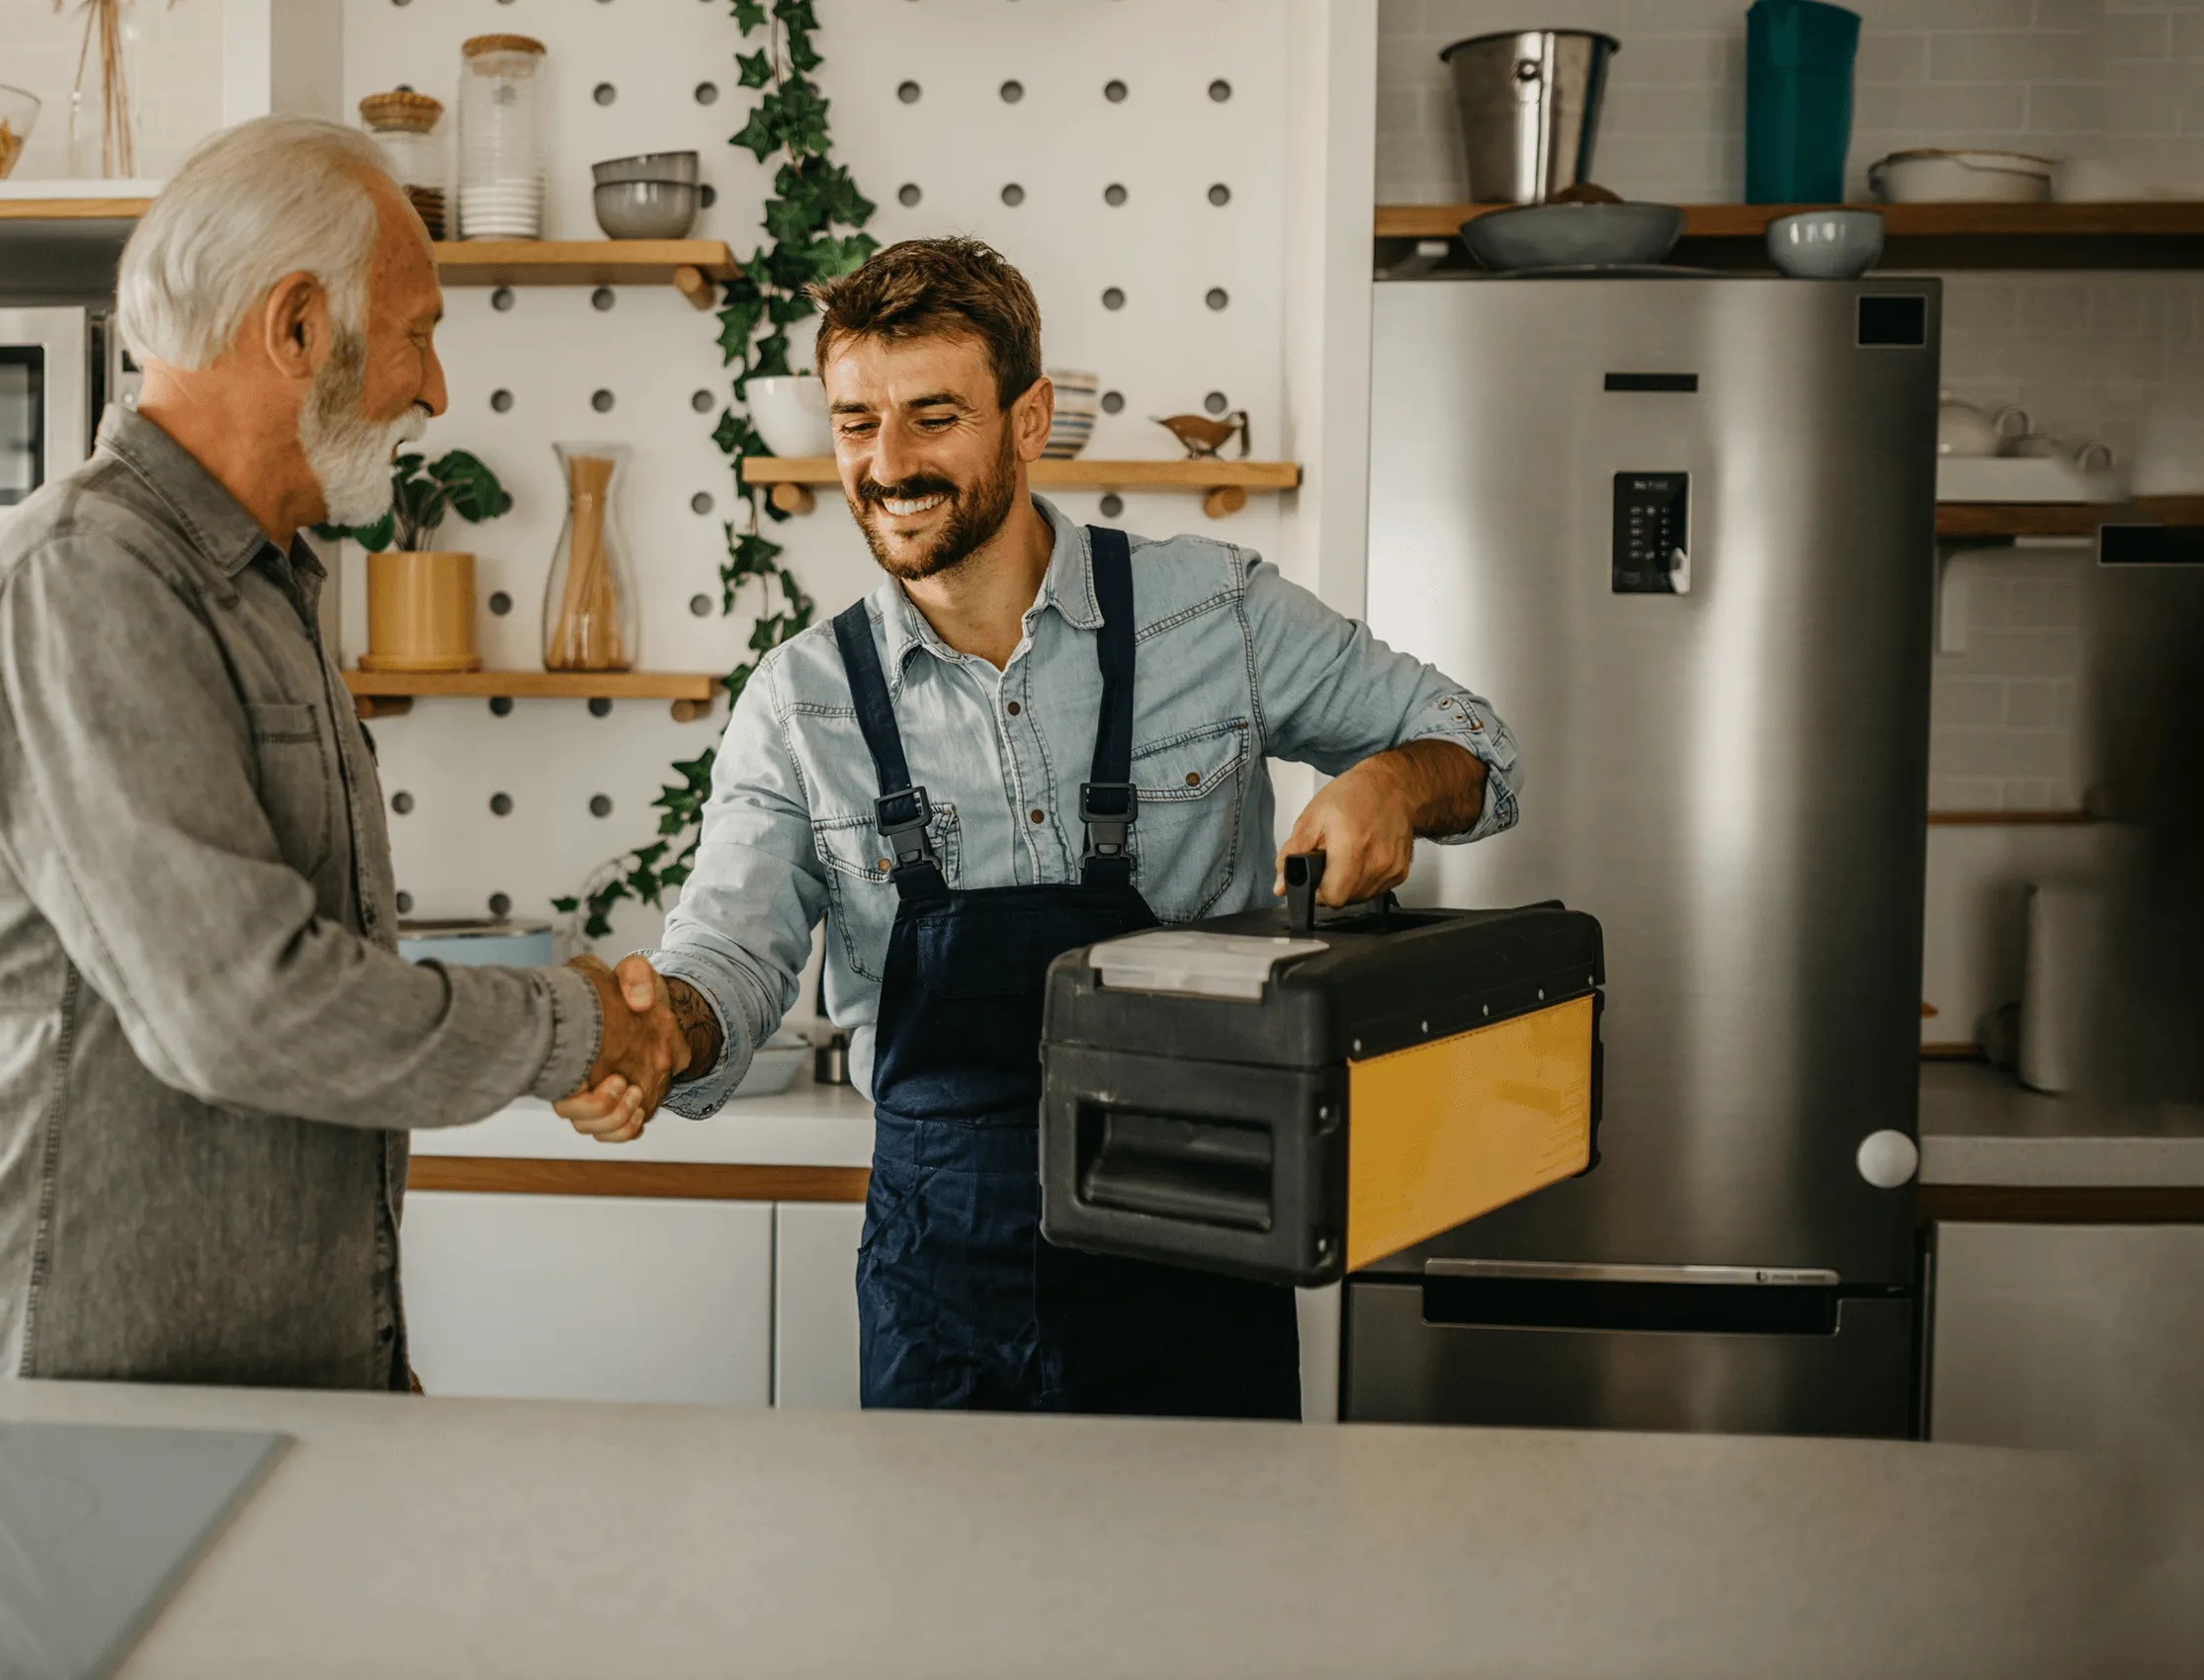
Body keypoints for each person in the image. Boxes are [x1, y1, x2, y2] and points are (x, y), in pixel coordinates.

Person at [558, 237, 1521, 1417]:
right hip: (939, 1281)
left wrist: (1397, 782)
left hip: (1201, 1261)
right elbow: (731, 953)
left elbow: (1477, 741)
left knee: (1211, 1602)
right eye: (856, 422)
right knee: (951, 1606)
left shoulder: (1215, 611)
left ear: (1028, 419)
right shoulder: (800, 701)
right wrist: (665, 1037)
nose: (888, 463)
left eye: (932, 417)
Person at [0, 117, 683, 1390]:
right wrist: (571, 1024)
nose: (436, 389)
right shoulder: (86, 579)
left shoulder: (263, 584)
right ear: (295, 329)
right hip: (106, 1433)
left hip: (299, 1377)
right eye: (419, 332)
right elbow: (241, 1005)